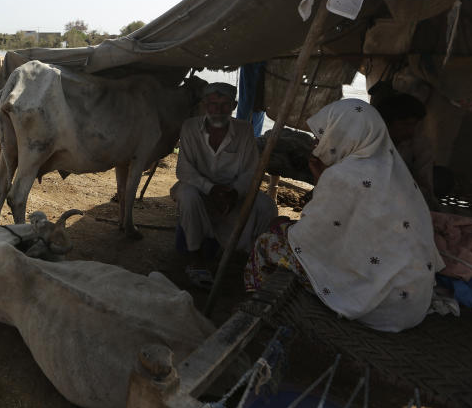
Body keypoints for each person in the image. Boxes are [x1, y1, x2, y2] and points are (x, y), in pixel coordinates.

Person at [244, 98, 443, 332]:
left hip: (378, 307)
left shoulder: (343, 175)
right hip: (411, 302)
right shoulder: (395, 170)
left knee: (267, 241)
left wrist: (284, 223)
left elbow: (311, 237)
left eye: (324, 134)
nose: (318, 141)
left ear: (343, 133)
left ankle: (261, 317)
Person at [171, 81, 277, 287]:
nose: (218, 111)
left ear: (234, 106)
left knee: (266, 207)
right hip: (200, 189)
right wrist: (211, 189)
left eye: (224, 105)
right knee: (187, 195)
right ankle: (196, 260)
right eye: (212, 104)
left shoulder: (245, 130)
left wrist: (234, 193)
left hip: (233, 192)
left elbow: (251, 171)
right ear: (203, 105)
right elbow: (184, 170)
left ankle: (254, 261)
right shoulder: (190, 127)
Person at [373, 93, 438, 209]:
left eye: (414, 125)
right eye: (405, 124)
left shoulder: (419, 143)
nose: (411, 130)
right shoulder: (369, 141)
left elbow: (425, 186)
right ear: (386, 123)